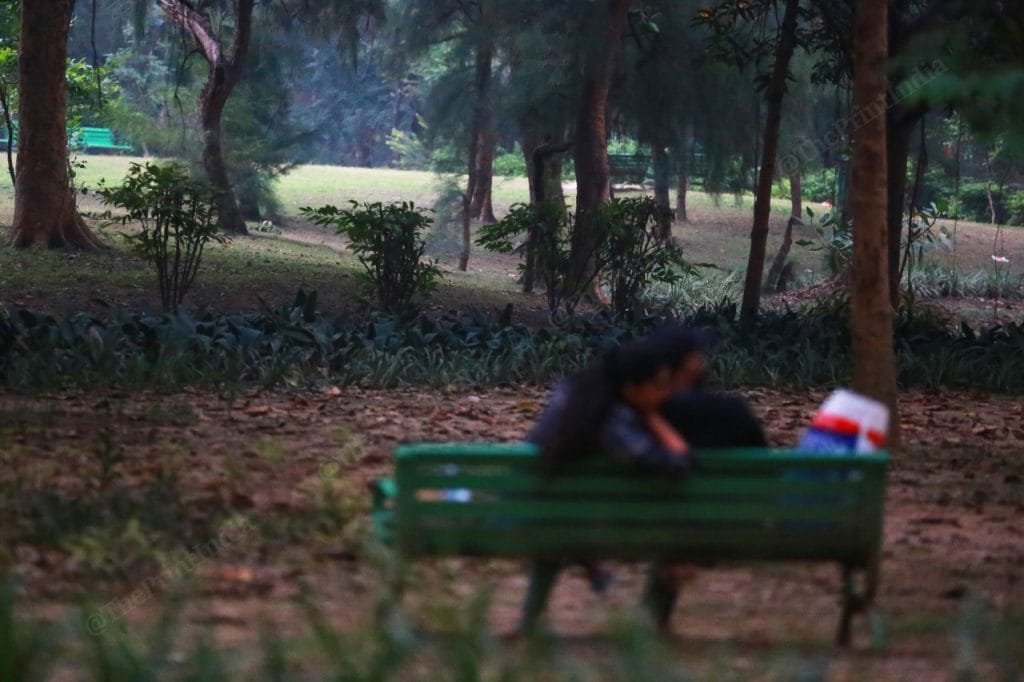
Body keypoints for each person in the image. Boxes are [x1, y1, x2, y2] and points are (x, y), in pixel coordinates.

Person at [519, 323, 709, 631]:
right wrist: (655, 420)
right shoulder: (616, 422)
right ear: (632, 387)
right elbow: (677, 465)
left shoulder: (576, 394)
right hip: (591, 524)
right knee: (674, 521)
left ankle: (532, 616)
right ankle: (653, 620)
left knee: (557, 521)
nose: (664, 394)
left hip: (532, 515)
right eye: (658, 385)